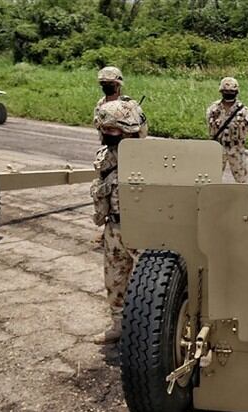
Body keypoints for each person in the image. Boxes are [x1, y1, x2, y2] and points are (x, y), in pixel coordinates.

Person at [90, 99, 146, 344]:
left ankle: (146, 334)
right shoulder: (105, 156)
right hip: (113, 228)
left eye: (111, 129)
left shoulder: (148, 157)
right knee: (114, 281)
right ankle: (118, 326)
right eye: (104, 129)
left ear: (128, 130)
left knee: (147, 286)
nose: (105, 134)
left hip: (141, 229)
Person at [206, 77, 248, 183]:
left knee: (241, 180)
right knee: (212, 178)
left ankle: (241, 198)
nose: (229, 93)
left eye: (231, 91)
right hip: (217, 147)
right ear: (221, 91)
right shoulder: (213, 108)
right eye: (226, 91)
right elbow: (209, 124)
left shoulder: (243, 110)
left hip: (236, 148)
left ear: (236, 92)